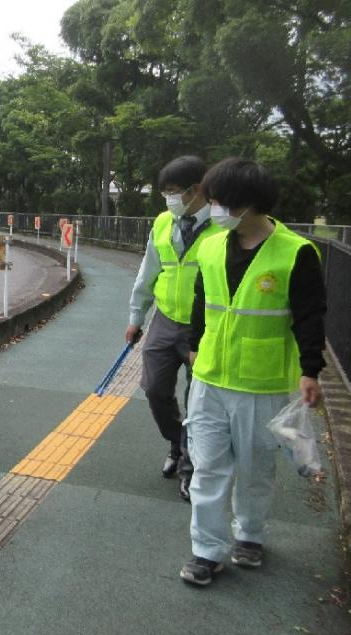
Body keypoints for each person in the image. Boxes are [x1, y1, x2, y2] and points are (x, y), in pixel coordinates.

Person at [179, 158, 326, 586]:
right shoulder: (209, 246)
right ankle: (206, 551)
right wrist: (193, 345)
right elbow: (201, 301)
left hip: (260, 383)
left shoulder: (296, 253)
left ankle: (250, 534)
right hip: (209, 378)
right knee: (207, 467)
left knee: (255, 468)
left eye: (222, 201)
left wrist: (310, 370)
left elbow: (310, 316)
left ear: (249, 203)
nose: (215, 209)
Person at [125, 155, 222, 501]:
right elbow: (147, 271)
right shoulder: (164, 222)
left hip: (207, 326)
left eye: (174, 192)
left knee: (198, 400)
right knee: (153, 388)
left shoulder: (223, 225)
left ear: (197, 190)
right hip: (165, 319)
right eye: (165, 193)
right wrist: (137, 316)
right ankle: (177, 443)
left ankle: (191, 467)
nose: (169, 199)